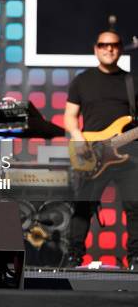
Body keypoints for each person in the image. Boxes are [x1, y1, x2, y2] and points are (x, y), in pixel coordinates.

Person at [63, 30, 138, 269]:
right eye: (104, 45)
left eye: (114, 45)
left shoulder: (131, 81)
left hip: (128, 155)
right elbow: (70, 117)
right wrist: (78, 137)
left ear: (120, 49)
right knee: (83, 205)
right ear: (96, 49)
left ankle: (135, 257)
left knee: (135, 206)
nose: (109, 49)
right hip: (91, 154)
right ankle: (74, 256)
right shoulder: (82, 81)